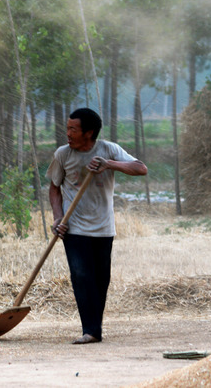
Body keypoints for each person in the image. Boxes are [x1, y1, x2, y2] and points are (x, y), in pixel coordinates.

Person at [46, 108, 147, 344]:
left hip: (104, 228)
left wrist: (109, 164)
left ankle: (94, 329)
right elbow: (54, 188)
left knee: (101, 279)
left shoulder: (108, 149)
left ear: (89, 132)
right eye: (67, 128)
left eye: (73, 129)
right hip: (74, 228)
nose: (68, 133)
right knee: (81, 276)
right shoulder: (63, 154)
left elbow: (141, 168)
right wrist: (57, 217)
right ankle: (90, 331)